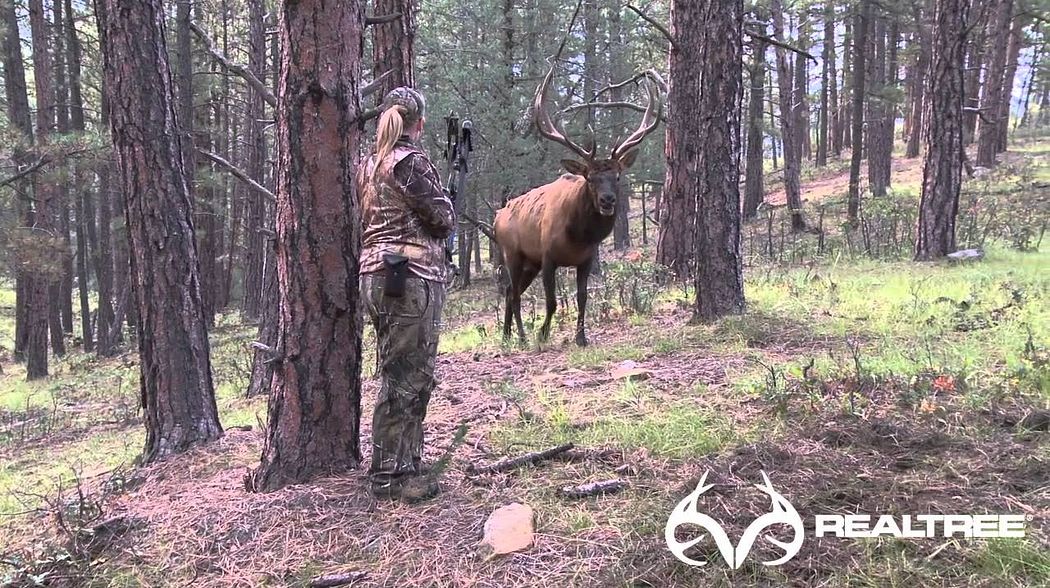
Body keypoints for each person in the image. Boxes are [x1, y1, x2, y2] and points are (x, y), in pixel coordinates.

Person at [358, 86, 455, 503]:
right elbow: (442, 218)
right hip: (410, 278)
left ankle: (405, 465)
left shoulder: (369, 164)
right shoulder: (411, 162)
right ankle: (388, 477)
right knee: (407, 377)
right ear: (419, 124)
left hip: (377, 277)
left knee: (401, 372)